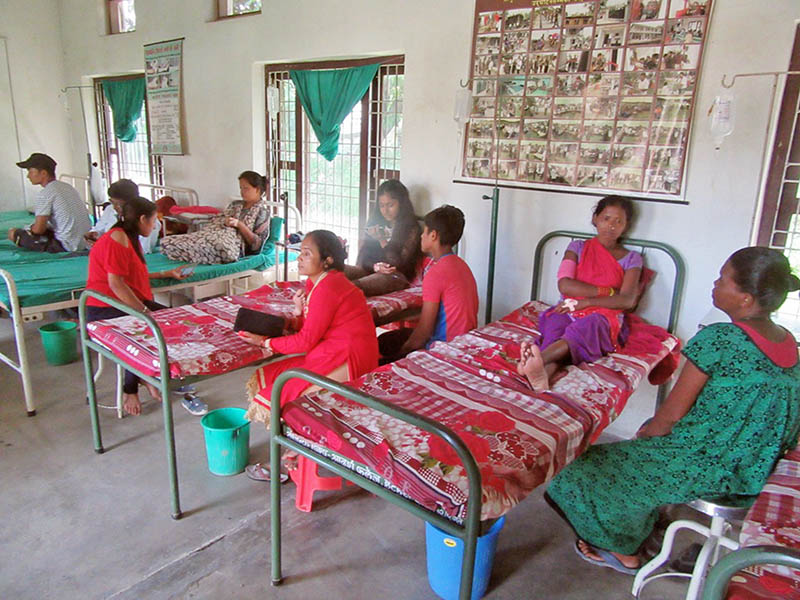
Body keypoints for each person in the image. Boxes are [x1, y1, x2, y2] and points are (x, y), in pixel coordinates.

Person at [544, 247, 800, 574]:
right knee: (629, 460)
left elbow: (669, 418)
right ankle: (646, 521)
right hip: (757, 466)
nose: (715, 284)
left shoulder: (720, 340)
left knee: (578, 466)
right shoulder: (786, 340)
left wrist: (646, 438)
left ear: (746, 299)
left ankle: (623, 550)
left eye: (723, 279)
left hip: (711, 462)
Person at [238, 230, 379, 481]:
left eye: (307, 253)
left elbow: (305, 341)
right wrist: (298, 310)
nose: (300, 258)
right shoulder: (318, 282)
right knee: (274, 374)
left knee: (290, 395)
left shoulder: (329, 286)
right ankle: (293, 451)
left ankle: (287, 459)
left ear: (327, 261)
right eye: (300, 252)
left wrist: (267, 342)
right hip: (333, 347)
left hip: (351, 355)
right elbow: (313, 328)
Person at [84, 197, 202, 416]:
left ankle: (153, 375)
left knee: (175, 320)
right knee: (146, 329)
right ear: (141, 219)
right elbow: (116, 283)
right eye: (152, 221)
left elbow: (131, 275)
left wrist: (167, 273)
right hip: (103, 306)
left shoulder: (130, 237)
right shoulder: (117, 239)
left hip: (123, 300)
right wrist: (144, 312)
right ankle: (131, 389)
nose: (155, 226)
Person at [518, 195, 642, 392]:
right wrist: (608, 292)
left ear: (627, 225)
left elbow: (627, 300)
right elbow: (565, 285)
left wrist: (586, 303)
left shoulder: (633, 259)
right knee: (556, 329)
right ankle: (541, 380)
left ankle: (537, 360)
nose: (611, 226)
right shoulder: (577, 247)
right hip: (568, 307)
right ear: (595, 219)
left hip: (604, 316)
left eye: (619, 221)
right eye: (606, 218)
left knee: (585, 328)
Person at [377, 205, 478, 362]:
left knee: (382, 353)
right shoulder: (462, 266)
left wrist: (401, 354)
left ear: (433, 235)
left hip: (446, 348)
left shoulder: (436, 273)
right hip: (465, 342)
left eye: (424, 231)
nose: (421, 236)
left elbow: (424, 331)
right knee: (389, 339)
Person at [159, 171, 270, 264]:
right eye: (241, 188)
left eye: (246, 188)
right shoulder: (235, 204)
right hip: (215, 234)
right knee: (167, 242)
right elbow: (218, 220)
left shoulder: (262, 213)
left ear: (258, 190)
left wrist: (239, 225)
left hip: (233, 245)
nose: (242, 192)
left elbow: (256, 244)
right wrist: (223, 222)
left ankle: (197, 251)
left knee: (218, 246)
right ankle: (196, 248)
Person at [344, 179, 422, 297]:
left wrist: (382, 240)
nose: (385, 211)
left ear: (402, 204)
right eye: (381, 206)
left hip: (396, 276)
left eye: (390, 205)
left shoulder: (411, 227)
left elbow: (398, 264)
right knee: (333, 271)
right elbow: (364, 257)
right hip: (372, 270)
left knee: (351, 287)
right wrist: (375, 266)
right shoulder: (376, 222)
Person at [7, 153, 91, 253]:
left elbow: (38, 230)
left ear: (43, 173)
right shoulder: (67, 187)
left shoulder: (45, 194)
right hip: (84, 242)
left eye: (30, 171)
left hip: (66, 245)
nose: (28, 176)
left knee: (13, 233)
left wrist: (30, 229)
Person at [84, 179, 161, 254]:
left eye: (119, 204)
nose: (115, 207)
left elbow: (143, 251)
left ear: (132, 204)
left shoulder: (148, 222)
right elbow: (100, 229)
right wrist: (94, 234)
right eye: (112, 202)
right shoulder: (110, 209)